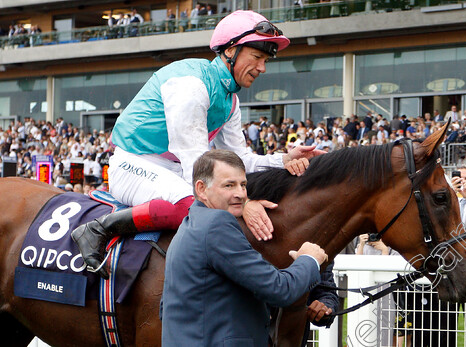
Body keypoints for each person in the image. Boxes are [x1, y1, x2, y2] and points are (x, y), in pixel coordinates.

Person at [71, 11, 323, 277]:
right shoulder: (191, 86)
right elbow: (198, 165)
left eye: (265, 60)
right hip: (133, 165)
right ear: (231, 51)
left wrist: (283, 159)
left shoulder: (231, 100)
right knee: (192, 205)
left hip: (174, 169)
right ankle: (98, 229)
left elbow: (239, 159)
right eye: (257, 57)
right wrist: (244, 203)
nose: (262, 68)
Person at [161, 150, 327, 346]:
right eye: (229, 185)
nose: (240, 194)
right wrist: (309, 259)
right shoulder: (217, 223)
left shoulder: (191, 223)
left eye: (243, 185)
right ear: (201, 189)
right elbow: (280, 289)